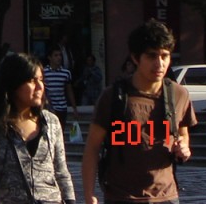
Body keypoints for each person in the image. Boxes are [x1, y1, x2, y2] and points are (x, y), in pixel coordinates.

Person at [81, 19, 196, 204]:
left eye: (165, 56)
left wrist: (184, 148)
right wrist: (89, 194)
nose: (160, 64)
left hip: (166, 196)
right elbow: (92, 148)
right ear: (135, 58)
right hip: (122, 196)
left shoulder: (178, 94)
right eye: (151, 56)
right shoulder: (114, 96)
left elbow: (183, 134)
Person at [0, 52, 75, 204]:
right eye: (32, 81)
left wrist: (70, 200)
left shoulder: (51, 122)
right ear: (13, 84)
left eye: (41, 80)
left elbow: (61, 171)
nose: (40, 86)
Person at [43, 47, 78, 128]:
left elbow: (69, 91)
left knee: (60, 130)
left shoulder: (66, 73)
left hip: (62, 107)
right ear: (50, 57)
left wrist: (74, 108)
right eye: (56, 55)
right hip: (49, 107)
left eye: (60, 55)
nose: (59, 58)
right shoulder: (44, 72)